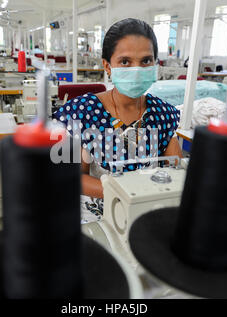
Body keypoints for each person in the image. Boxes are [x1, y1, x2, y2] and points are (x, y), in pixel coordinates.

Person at [53, 18, 182, 205]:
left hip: (149, 209)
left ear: (155, 64)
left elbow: (175, 172)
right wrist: (126, 193)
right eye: (125, 61)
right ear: (107, 66)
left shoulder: (164, 115)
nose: (137, 70)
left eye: (146, 60)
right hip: (99, 215)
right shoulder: (78, 114)